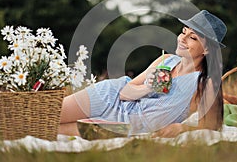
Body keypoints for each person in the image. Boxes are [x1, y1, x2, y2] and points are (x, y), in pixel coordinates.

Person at [59, 10, 227, 138]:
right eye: (184, 32)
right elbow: (124, 93)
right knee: (44, 115)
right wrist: (148, 87)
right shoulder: (166, 60)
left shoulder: (205, 83)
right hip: (108, 97)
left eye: (193, 37)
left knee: (45, 129)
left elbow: (210, 127)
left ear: (207, 49)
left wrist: (182, 128)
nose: (182, 39)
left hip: (124, 127)